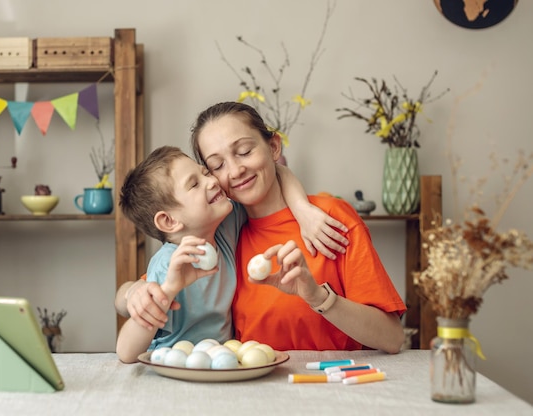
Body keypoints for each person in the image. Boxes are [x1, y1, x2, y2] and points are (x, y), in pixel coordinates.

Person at [118, 102, 405, 354]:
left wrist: (318, 296)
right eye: (216, 166)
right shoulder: (221, 230)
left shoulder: (328, 220)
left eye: (244, 151)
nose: (234, 171)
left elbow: (392, 338)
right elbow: (143, 291)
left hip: (336, 384)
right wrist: (133, 294)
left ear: (273, 146)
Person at [115, 145, 349, 363]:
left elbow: (277, 172)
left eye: (205, 172)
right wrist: (168, 290)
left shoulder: (225, 224)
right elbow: (126, 353)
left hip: (222, 362)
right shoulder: (168, 266)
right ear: (169, 220)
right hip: (175, 363)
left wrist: (302, 208)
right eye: (194, 184)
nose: (212, 181)